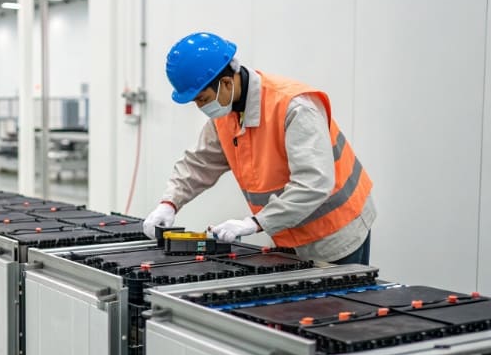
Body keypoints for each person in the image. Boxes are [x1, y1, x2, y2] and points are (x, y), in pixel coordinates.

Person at [143, 33, 376, 265]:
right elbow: (199, 164)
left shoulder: (294, 107)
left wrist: (254, 223)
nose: (200, 107)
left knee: (335, 291)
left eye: (203, 99)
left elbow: (314, 183)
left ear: (227, 83)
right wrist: (169, 203)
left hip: (336, 232)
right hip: (287, 232)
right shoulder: (225, 113)